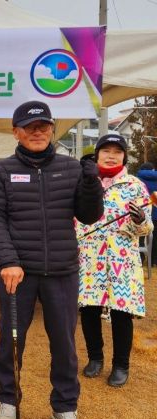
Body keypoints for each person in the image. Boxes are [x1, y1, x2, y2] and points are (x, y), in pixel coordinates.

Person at [0, 101, 104, 419]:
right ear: (16, 132)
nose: (37, 132)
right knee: (11, 339)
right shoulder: (1, 171)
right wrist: (8, 261)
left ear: (52, 130)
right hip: (18, 273)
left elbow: (89, 215)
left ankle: (64, 406)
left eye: (43, 126)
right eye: (30, 127)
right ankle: (7, 399)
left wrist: (91, 183)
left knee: (64, 343)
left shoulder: (72, 168)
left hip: (62, 270)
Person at [77, 135, 153, 387]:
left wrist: (140, 220)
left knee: (122, 313)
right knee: (89, 309)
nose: (111, 156)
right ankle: (95, 358)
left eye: (117, 152)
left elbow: (146, 228)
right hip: (89, 257)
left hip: (122, 259)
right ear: (97, 155)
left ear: (124, 157)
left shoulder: (135, 186)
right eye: (106, 151)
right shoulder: (84, 182)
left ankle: (121, 365)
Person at [136, 161, 157, 265]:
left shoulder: (137, 179)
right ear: (153, 169)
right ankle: (153, 260)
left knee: (140, 237)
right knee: (155, 237)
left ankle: (140, 258)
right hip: (156, 212)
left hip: (142, 213)